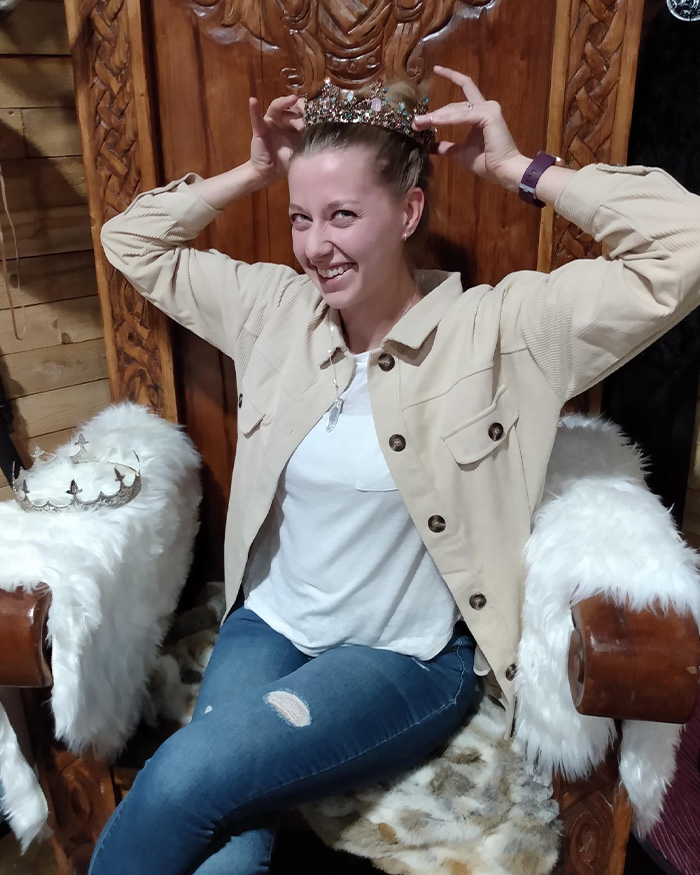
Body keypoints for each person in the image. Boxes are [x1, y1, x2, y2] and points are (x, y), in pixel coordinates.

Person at [90, 66, 700, 874]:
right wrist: (254, 170)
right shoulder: (277, 312)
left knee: (182, 776)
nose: (316, 245)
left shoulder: (501, 330)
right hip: (268, 625)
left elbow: (685, 245)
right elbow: (128, 239)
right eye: (301, 217)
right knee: (227, 850)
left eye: (343, 214)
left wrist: (524, 169)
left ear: (409, 211)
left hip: (403, 659)